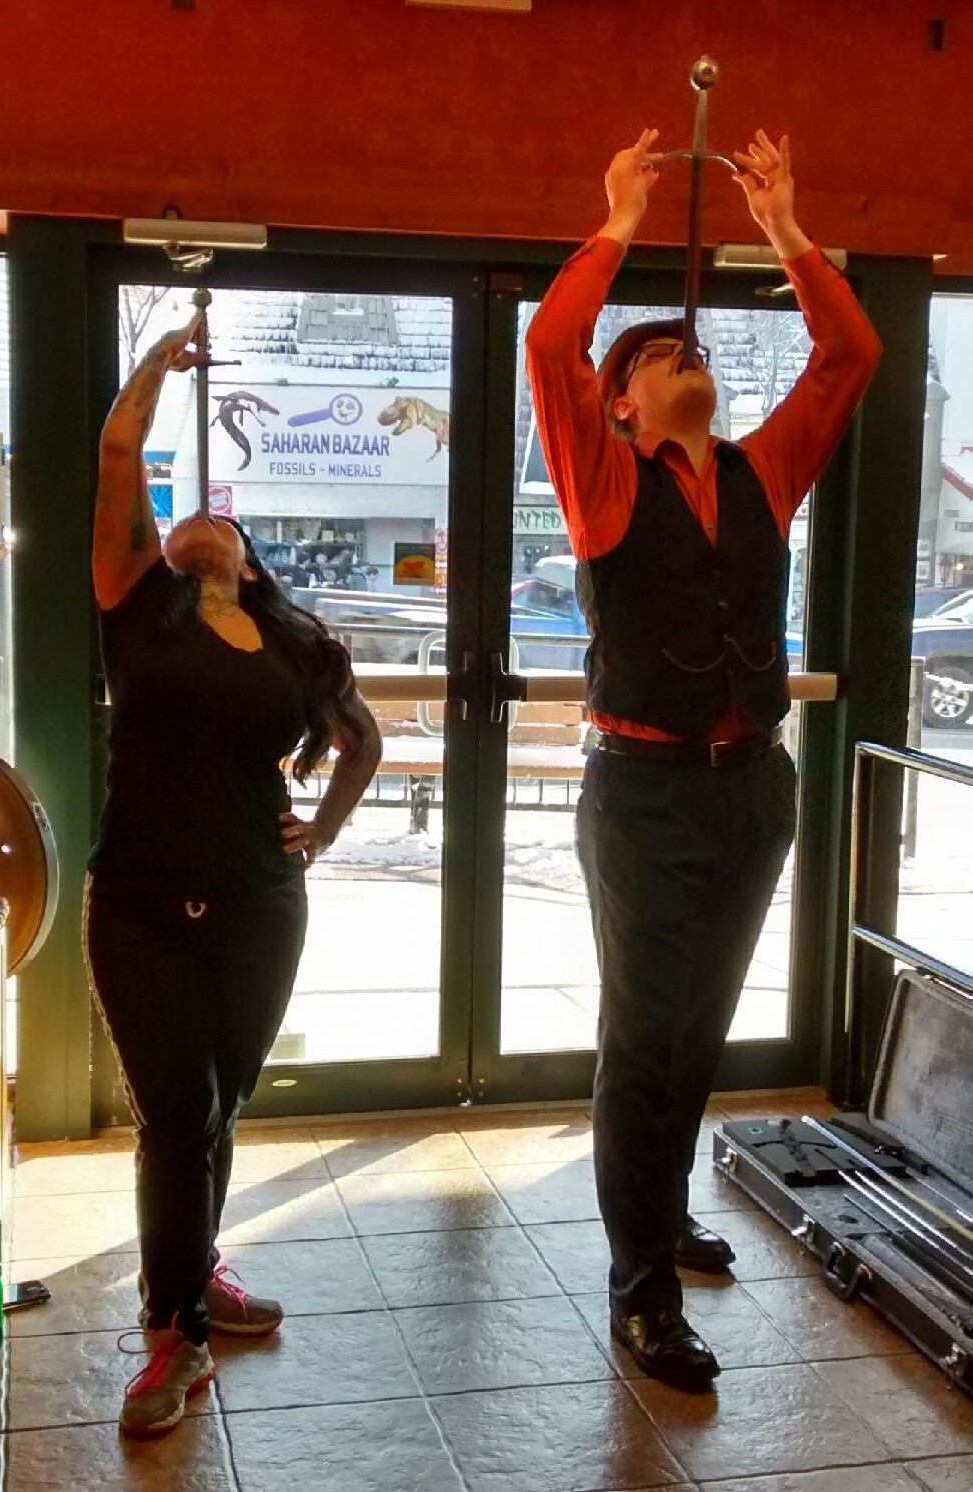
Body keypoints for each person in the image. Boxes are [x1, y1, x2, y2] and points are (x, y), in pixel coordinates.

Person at [526, 129, 880, 1388]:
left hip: (753, 792)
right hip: (645, 796)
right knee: (647, 1038)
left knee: (700, 1031)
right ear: (621, 402)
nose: (687, 356)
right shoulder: (605, 485)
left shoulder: (760, 476)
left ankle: (662, 1213)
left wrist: (788, 227)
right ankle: (640, 1292)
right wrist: (616, 219)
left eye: (695, 348)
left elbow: (852, 355)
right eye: (657, 353)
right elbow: (549, 348)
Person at [86, 314, 382, 1436]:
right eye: (188, 517)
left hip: (263, 904)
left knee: (221, 1105)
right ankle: (175, 1335)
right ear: (164, 549)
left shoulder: (295, 642)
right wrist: (156, 367)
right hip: (142, 904)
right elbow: (121, 461)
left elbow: (362, 740)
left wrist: (331, 830)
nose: (205, 520)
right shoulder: (137, 607)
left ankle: (195, 1270)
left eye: (227, 522)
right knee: (176, 1112)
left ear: (250, 561)